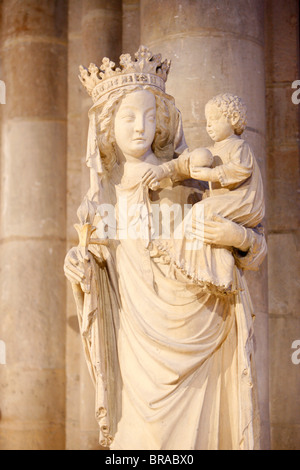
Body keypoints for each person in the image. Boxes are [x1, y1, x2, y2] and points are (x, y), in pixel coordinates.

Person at [64, 46, 267, 450]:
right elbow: (98, 269)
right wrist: (80, 266)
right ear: (107, 126)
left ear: (161, 122)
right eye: (128, 117)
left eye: (149, 115)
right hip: (137, 342)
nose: (140, 127)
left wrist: (239, 240)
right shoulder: (99, 200)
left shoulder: (189, 176)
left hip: (203, 329)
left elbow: (256, 246)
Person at [141, 93, 265, 295]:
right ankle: (203, 270)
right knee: (207, 224)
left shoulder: (239, 146)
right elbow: (184, 164)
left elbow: (241, 169)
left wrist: (212, 173)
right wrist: (162, 171)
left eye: (215, 120)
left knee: (203, 210)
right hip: (186, 285)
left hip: (243, 201)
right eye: (207, 121)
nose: (209, 126)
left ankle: (177, 250)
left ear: (233, 120)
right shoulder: (209, 151)